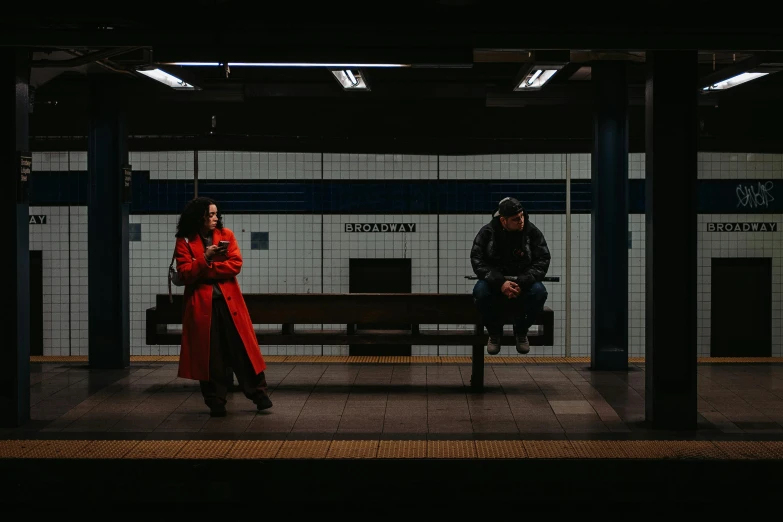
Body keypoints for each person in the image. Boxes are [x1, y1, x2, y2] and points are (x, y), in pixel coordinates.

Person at [173, 196, 273, 416]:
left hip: (230, 305)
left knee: (242, 349)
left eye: (216, 214)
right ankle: (216, 400)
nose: (215, 218)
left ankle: (259, 394)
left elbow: (235, 265)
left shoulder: (226, 235)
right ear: (199, 217)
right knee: (211, 355)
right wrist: (206, 258)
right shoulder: (185, 241)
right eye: (210, 214)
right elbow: (185, 273)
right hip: (203, 307)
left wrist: (204, 268)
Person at [470, 197, 550, 355]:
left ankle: (521, 332)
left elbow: (543, 260)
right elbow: (477, 261)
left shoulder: (531, 232)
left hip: (523, 281)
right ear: (503, 220)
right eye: (515, 219)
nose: (521, 221)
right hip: (495, 282)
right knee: (480, 292)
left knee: (539, 292)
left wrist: (522, 281)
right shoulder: (488, 232)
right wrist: (500, 283)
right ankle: (494, 333)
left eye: (521, 216)